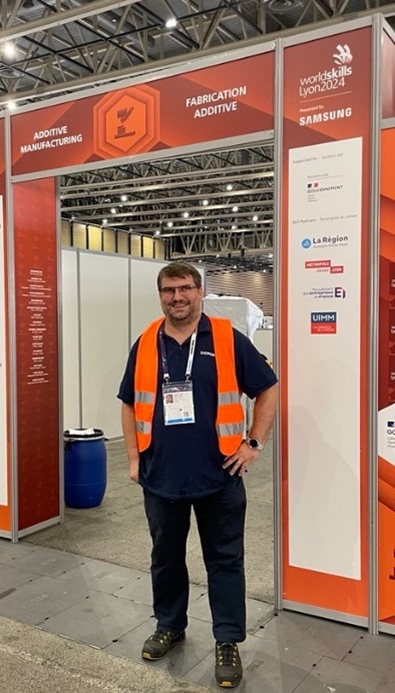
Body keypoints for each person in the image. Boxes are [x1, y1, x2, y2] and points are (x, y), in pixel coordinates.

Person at [117, 261, 278, 689]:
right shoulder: (146, 342)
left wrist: (254, 444)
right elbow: (130, 402)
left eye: (185, 288)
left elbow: (268, 387)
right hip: (161, 475)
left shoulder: (226, 338)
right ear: (161, 295)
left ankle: (227, 640)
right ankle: (170, 625)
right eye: (170, 290)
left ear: (200, 291)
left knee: (225, 561)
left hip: (219, 475)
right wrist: (134, 458)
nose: (178, 297)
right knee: (165, 558)